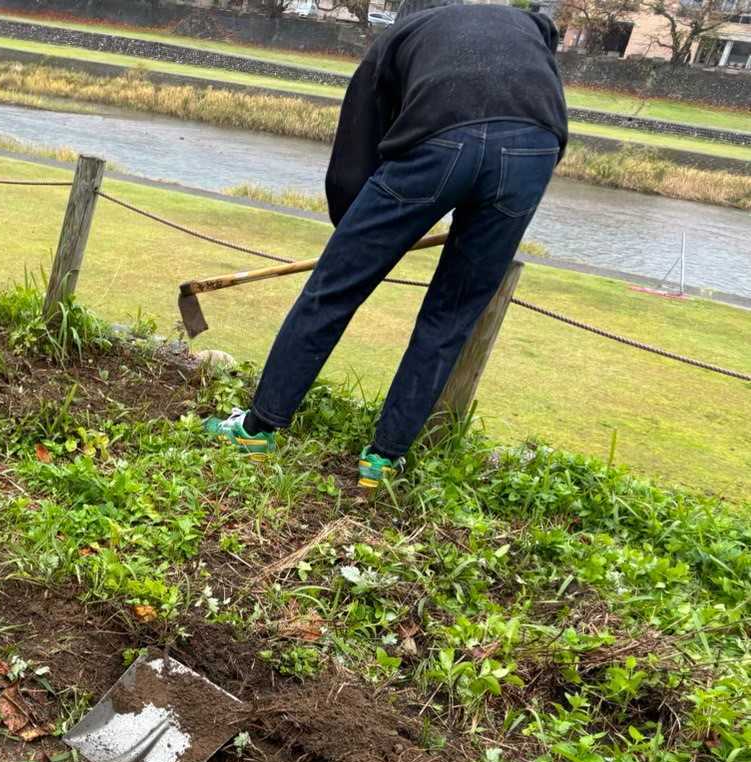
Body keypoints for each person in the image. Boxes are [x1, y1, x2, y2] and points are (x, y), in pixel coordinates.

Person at [205, 0, 568, 491]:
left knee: (331, 293)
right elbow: (534, 123)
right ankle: (384, 460)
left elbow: (354, 154)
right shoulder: (533, 30)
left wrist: (351, 239)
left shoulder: (396, 38)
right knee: (449, 318)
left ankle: (258, 429)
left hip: (441, 145)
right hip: (532, 154)